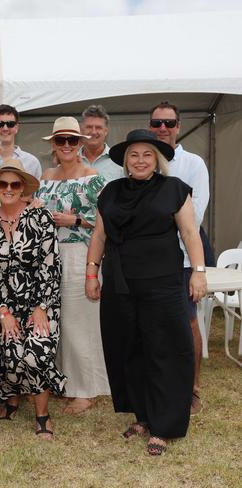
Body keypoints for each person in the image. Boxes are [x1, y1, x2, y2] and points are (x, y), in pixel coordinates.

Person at [85, 129, 206, 456]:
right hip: (120, 282)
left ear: (158, 160)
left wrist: (199, 271)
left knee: (165, 350)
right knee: (130, 349)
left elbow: (190, 232)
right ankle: (143, 415)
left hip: (162, 283)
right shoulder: (110, 192)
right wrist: (91, 272)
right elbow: (98, 235)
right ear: (125, 160)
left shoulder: (173, 189)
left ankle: (164, 426)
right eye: (134, 155)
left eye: (147, 155)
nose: (140, 160)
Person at [0, 159, 65, 439]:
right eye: (2, 183)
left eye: (14, 184)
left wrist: (41, 307)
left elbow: (51, 266)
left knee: (36, 352)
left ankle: (43, 415)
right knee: (10, 351)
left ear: (23, 188)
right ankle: (12, 398)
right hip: (4, 303)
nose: (8, 188)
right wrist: (3, 311)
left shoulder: (41, 219)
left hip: (41, 300)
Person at [37, 116, 110, 414]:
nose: (66, 145)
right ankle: (64, 383)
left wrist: (75, 220)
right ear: (53, 144)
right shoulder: (45, 176)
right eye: (60, 140)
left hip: (80, 254)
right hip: (49, 257)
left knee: (82, 322)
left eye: (72, 140)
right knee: (60, 322)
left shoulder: (93, 178)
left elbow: (106, 223)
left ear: (80, 143)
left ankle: (87, 389)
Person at [148, 101, 211, 415]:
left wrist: (158, 223)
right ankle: (163, 386)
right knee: (155, 325)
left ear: (178, 126)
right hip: (149, 262)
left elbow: (194, 216)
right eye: (157, 123)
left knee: (187, 323)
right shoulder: (144, 161)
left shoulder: (193, 164)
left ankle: (193, 389)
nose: (163, 129)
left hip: (183, 259)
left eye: (168, 123)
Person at [79, 105, 122, 183]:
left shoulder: (119, 162)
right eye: (89, 127)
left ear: (106, 131)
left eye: (98, 127)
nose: (93, 132)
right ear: (81, 130)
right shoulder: (70, 161)